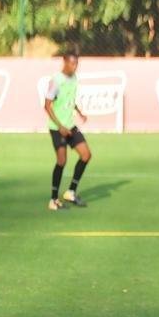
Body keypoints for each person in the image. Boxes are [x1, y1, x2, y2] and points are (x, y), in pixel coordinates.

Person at [44, 51, 91, 211]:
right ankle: (53, 200)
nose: (74, 67)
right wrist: (60, 126)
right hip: (57, 128)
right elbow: (47, 106)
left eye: (76, 64)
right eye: (72, 63)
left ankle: (71, 192)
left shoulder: (74, 79)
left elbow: (70, 99)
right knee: (62, 161)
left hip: (70, 126)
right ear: (64, 62)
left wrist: (79, 112)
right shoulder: (56, 81)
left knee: (86, 155)